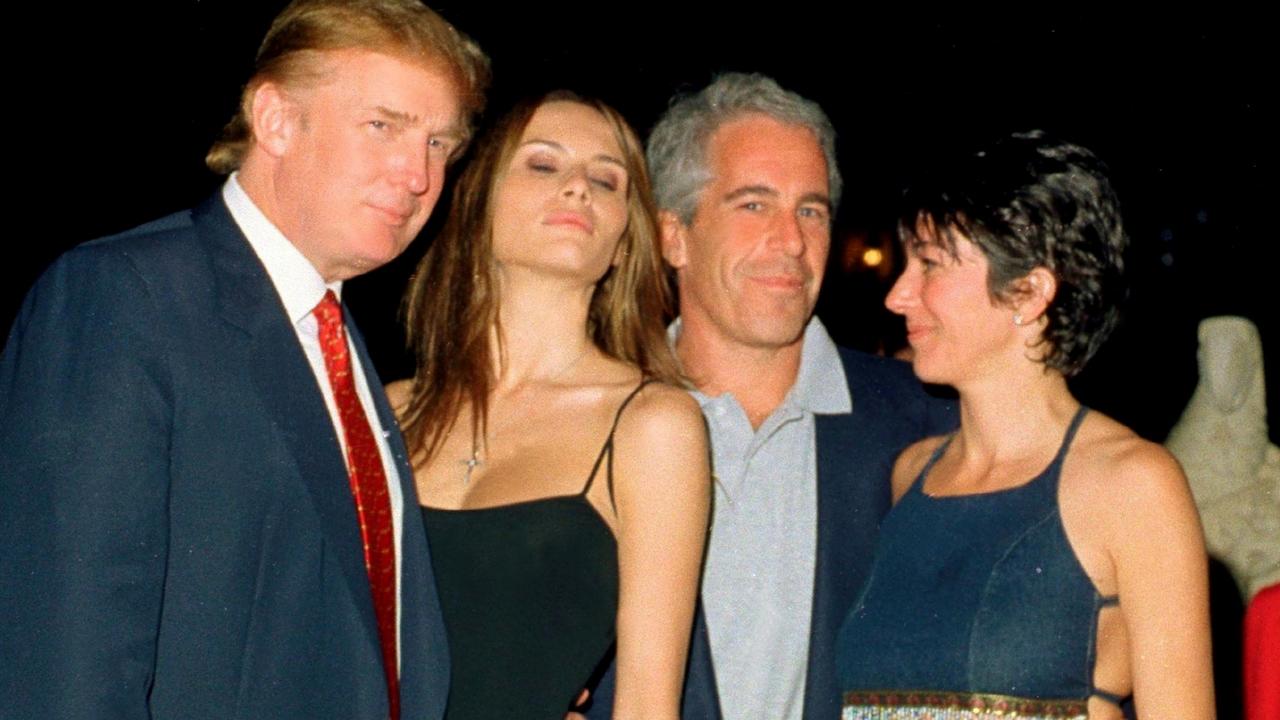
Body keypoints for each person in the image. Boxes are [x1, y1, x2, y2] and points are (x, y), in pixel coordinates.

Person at [0, 2, 488, 718]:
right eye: (382, 127)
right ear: (277, 119)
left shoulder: (341, 345)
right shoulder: (125, 298)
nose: (416, 175)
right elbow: (65, 658)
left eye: (439, 144)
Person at [588, 73, 956, 720]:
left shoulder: (928, 426)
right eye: (754, 204)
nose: (791, 242)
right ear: (673, 235)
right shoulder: (594, 425)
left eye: (810, 210)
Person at [837, 131, 1215, 719]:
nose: (897, 295)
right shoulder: (910, 475)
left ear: (1030, 291)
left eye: (931, 265)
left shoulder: (1134, 484)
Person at [386, 92, 711, 720]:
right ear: (478, 206)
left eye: (606, 179)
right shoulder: (387, 414)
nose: (578, 189)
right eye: (543, 165)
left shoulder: (653, 425)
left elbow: (647, 702)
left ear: (622, 244)